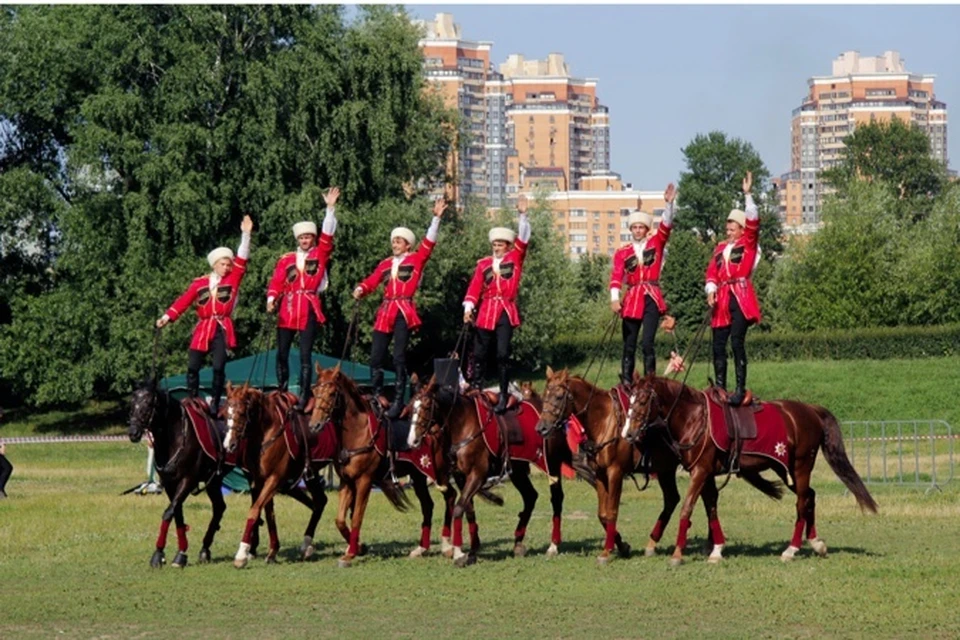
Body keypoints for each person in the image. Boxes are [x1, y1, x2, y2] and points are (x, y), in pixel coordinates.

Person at [353, 198, 447, 418]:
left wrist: (436, 218)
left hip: (403, 309)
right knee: (376, 356)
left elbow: (429, 244)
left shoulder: (415, 260)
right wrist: (360, 288)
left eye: (399, 241)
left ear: (408, 245)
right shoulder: (385, 264)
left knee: (398, 356)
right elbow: (373, 280)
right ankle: (376, 395)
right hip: (385, 312)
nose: (394, 244)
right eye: (393, 240)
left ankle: (398, 400)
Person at [158, 215, 254, 416]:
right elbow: (183, 301)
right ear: (214, 265)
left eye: (229, 264)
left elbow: (243, 259)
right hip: (203, 327)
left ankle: (216, 402)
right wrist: (167, 317)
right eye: (223, 264)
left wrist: (246, 235)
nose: (227, 268)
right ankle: (193, 398)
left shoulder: (233, 280)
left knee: (219, 367)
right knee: (193, 366)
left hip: (221, 327)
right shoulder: (199, 284)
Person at [267, 187, 340, 411]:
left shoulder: (320, 254)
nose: (305, 240)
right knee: (282, 352)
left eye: (308, 237)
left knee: (306, 355)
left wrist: (330, 209)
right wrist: (271, 298)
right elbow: (277, 282)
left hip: (307, 306)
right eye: (302, 237)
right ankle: (282, 389)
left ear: (313, 238)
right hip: (287, 308)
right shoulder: (286, 260)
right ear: (297, 239)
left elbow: (328, 235)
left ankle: (305, 393)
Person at [463, 194, 531, 414]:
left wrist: (522, 215)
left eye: (500, 244)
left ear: (507, 245)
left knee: (502, 354)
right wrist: (468, 309)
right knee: (480, 352)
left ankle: (503, 393)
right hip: (485, 311)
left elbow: (524, 239)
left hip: (505, 311)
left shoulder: (515, 259)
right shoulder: (483, 264)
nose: (497, 247)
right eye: (494, 244)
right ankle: (476, 387)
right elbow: (474, 288)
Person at [610, 183, 677, 385]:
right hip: (631, 299)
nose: (638, 230)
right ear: (631, 229)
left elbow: (666, 226)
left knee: (647, 342)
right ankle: (627, 382)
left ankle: (650, 381)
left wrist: (669, 205)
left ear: (647, 229)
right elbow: (615, 276)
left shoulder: (655, 243)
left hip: (651, 297)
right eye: (635, 227)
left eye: (641, 227)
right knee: (628, 344)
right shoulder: (623, 252)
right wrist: (614, 299)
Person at [705, 171, 762, 406]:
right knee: (718, 342)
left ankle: (739, 388)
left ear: (741, 229)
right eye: (727, 229)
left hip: (739, 296)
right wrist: (711, 290)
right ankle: (720, 386)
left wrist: (747, 195)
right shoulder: (719, 249)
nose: (728, 233)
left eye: (732, 229)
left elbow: (754, 221)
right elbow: (711, 272)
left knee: (736, 341)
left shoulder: (748, 244)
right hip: (722, 298)